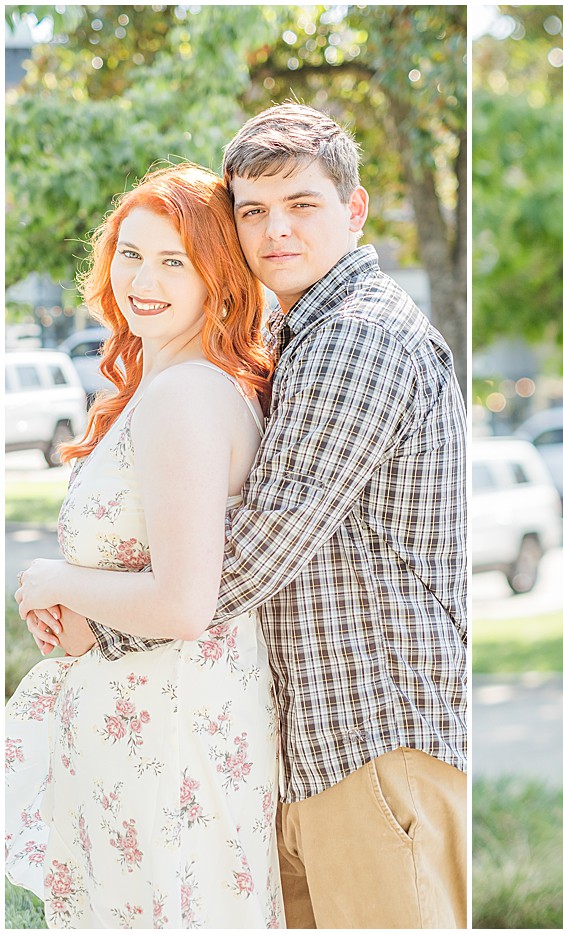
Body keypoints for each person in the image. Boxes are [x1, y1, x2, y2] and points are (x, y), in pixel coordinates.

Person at [18, 104, 470, 928]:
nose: (276, 232)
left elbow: (254, 552)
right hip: (313, 742)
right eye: (254, 212)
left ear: (355, 209)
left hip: (374, 731)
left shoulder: (355, 338)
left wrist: (82, 608)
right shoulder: (299, 339)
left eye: (302, 205)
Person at [7, 163, 283, 927]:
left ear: (216, 276)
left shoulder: (186, 397)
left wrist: (50, 581)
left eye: (174, 259)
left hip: (167, 743)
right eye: (131, 253)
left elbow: (184, 601)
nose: (144, 278)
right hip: (151, 726)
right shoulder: (174, 386)